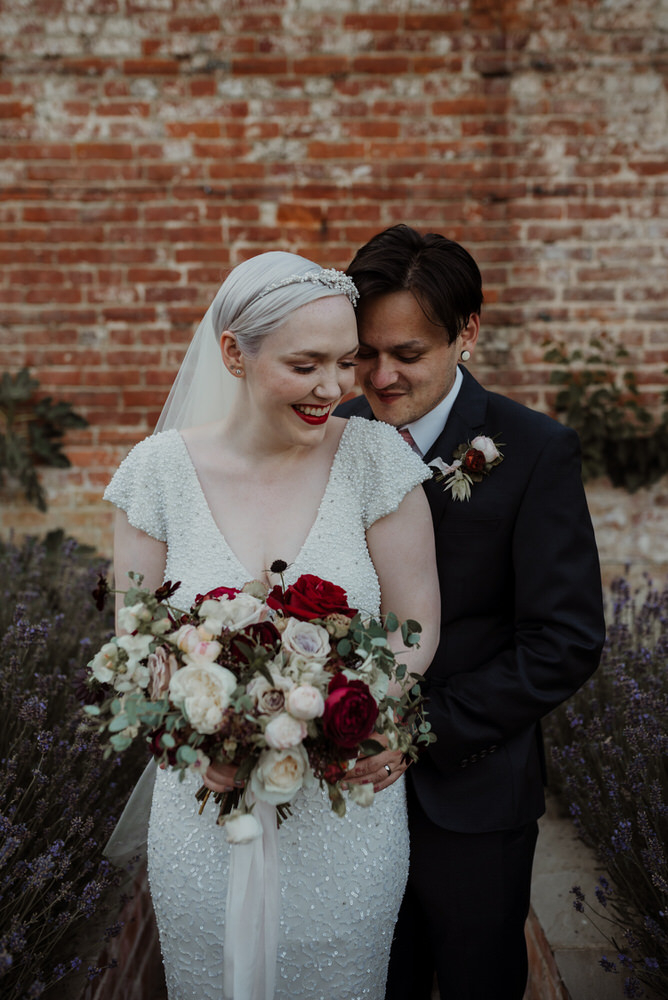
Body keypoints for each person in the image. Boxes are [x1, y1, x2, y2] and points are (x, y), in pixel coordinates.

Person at [102, 250, 441, 1000]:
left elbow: (415, 625)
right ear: (233, 353)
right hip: (203, 809)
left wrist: (361, 713)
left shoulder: (375, 461)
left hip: (345, 811)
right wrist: (194, 739)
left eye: (346, 363)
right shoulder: (157, 474)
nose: (335, 389)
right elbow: (134, 641)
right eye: (307, 364)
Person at [338, 225, 606, 1000]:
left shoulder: (534, 450)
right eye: (366, 353)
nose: (381, 378)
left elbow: (565, 639)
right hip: (343, 798)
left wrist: (417, 727)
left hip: (475, 802)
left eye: (409, 354)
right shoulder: (329, 441)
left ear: (467, 334)